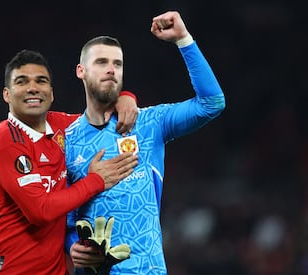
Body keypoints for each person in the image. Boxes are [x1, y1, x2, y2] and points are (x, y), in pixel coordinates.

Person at [65, 10, 226, 274]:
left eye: (117, 64)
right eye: (102, 62)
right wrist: (72, 246)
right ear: (81, 71)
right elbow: (65, 220)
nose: (111, 69)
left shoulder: (149, 124)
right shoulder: (67, 141)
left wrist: (183, 39)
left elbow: (211, 103)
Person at [0, 49, 139, 274]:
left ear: (51, 94)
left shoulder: (63, 126)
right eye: (22, 82)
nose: (33, 87)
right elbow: (40, 211)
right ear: (7, 94)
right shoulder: (5, 139)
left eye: (40, 81)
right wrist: (96, 180)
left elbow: (101, 115)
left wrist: (126, 97)